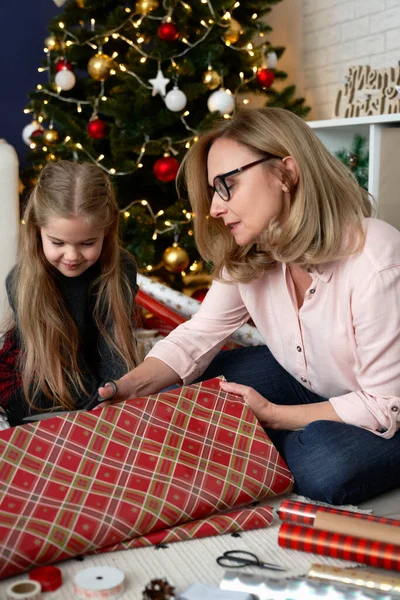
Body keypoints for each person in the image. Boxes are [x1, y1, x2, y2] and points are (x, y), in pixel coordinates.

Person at [99, 107, 400, 505]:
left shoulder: (375, 259)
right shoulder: (252, 252)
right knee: (196, 383)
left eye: (228, 184)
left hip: (385, 405)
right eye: (213, 191)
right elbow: (198, 336)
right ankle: (275, 440)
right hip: (312, 383)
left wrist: (273, 414)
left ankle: (269, 441)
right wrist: (127, 387)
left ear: (286, 173)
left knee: (324, 463)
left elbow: (383, 405)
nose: (215, 209)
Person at [0, 160, 138, 426]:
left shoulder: (121, 269)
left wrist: (112, 394)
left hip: (92, 374)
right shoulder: (20, 281)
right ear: (37, 230)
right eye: (57, 242)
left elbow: (114, 348)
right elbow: (53, 365)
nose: (72, 256)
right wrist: (86, 412)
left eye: (87, 243)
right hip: (41, 372)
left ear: (106, 232)